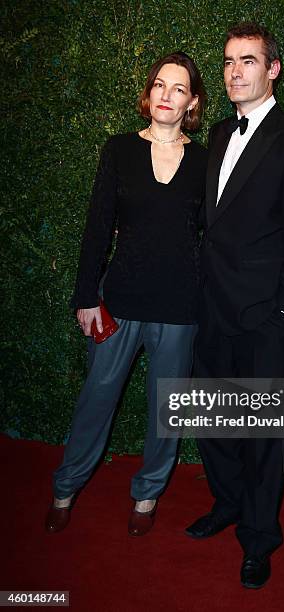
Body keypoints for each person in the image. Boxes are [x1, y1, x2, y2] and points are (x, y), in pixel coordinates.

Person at [185, 23, 284, 589]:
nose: (233, 72)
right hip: (212, 309)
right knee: (213, 421)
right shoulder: (219, 134)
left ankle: (260, 536)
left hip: (265, 316)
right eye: (226, 62)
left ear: (273, 70)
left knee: (264, 433)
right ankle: (228, 503)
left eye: (247, 61)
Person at [45, 51, 207, 536]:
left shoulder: (205, 161)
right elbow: (97, 228)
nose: (167, 95)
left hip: (180, 306)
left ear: (191, 103)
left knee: (166, 410)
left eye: (179, 89)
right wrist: (84, 296)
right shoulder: (118, 150)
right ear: (149, 92)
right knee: (96, 398)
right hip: (118, 298)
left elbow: (214, 235)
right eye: (160, 85)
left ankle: (148, 495)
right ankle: (65, 487)